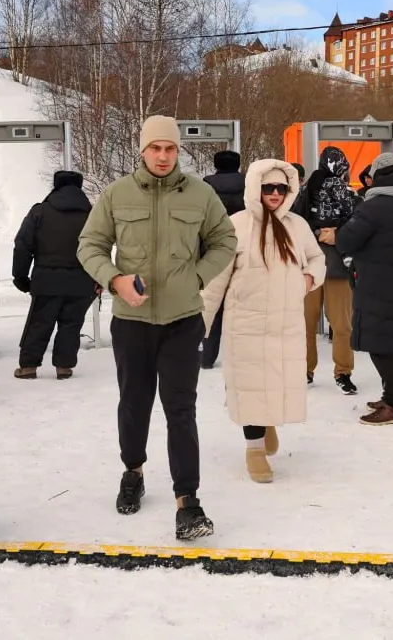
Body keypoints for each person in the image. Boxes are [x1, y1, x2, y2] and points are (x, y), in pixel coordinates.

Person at [77, 114, 236, 540]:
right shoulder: (116, 195)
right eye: (155, 148)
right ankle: (133, 470)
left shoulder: (201, 195)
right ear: (142, 149)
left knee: (180, 410)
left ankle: (188, 500)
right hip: (131, 323)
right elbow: (89, 244)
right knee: (134, 403)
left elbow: (225, 241)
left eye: (170, 148)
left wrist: (198, 277)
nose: (163, 156)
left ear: (178, 150)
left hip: (183, 320)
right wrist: (114, 279)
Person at [201, 159, 324, 483]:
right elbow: (216, 280)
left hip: (285, 324)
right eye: (267, 187)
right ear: (255, 188)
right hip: (246, 325)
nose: (274, 194)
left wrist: (308, 280)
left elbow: (317, 258)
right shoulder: (236, 225)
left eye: (281, 188)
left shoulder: (297, 226)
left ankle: (267, 423)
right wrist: (200, 322)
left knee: (277, 382)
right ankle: (254, 449)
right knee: (251, 386)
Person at [334, 153, 393, 426]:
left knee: (381, 345)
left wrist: (335, 234)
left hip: (376, 282)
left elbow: (347, 240)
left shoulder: (373, 207)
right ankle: (391, 396)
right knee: (390, 341)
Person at [12, 170, 97, 380]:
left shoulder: (40, 212)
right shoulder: (92, 213)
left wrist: (20, 276)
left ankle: (28, 367)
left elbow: (23, 245)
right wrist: (100, 278)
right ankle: (64, 366)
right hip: (82, 280)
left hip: (46, 279)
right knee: (72, 323)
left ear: (56, 185)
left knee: (39, 322)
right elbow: (100, 247)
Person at [294, 147, 358, 394]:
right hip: (335, 266)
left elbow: (294, 222)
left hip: (311, 266)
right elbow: (356, 222)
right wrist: (335, 234)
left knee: (307, 324)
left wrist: (317, 234)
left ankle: (307, 371)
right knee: (341, 324)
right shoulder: (342, 191)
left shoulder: (305, 190)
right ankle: (342, 373)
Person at [199, 150, 246, 369]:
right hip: (244, 247)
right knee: (245, 304)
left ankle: (207, 356)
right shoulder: (249, 184)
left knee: (212, 304)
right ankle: (242, 358)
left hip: (213, 249)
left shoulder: (206, 185)